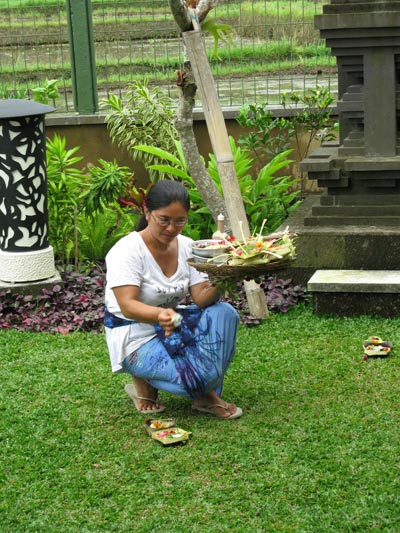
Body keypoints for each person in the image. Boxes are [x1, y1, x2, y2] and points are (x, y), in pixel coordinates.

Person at [104, 180, 242, 420]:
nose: (172, 228)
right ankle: (152, 381)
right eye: (164, 220)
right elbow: (127, 305)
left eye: (180, 221)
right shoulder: (126, 250)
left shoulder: (189, 246)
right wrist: (160, 315)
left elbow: (201, 299)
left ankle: (202, 389)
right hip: (135, 334)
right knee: (195, 379)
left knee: (225, 313)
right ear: (147, 213)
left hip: (172, 325)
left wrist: (228, 274)